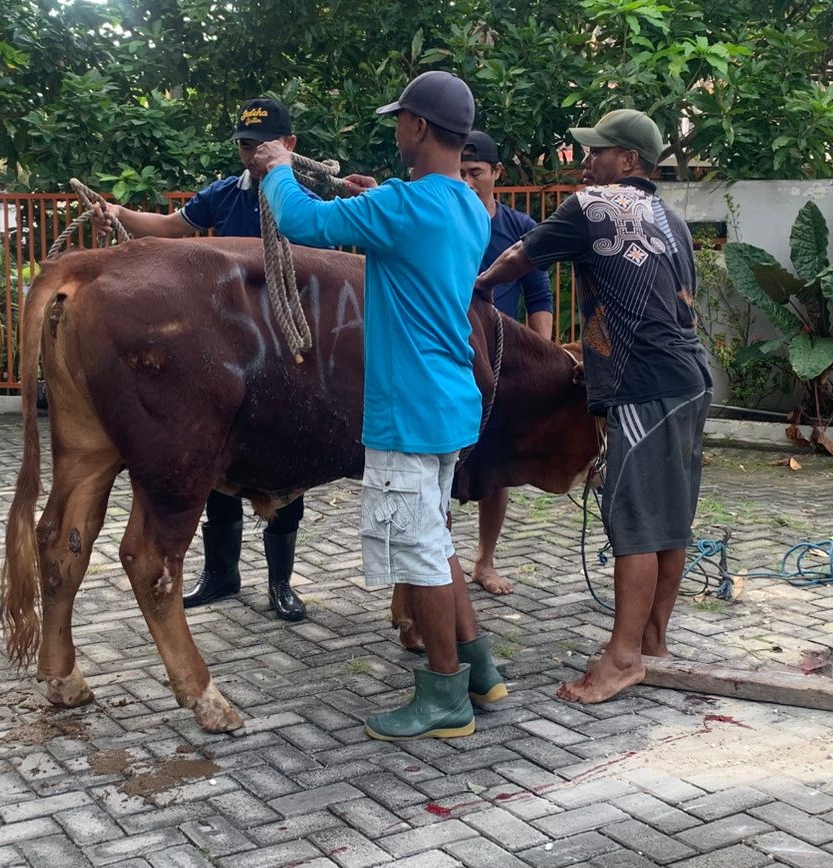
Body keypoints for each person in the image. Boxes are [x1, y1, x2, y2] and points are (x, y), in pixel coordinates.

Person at [251, 70, 508, 741]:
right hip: (447, 403)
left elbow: (303, 221)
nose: (396, 129)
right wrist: (369, 196)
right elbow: (404, 224)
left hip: (408, 410)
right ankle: (480, 669)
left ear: (418, 127)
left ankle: (444, 696)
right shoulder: (464, 204)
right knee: (436, 540)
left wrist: (277, 168)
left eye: (400, 120)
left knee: (418, 554)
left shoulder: (404, 207)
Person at [477, 108, 710, 705]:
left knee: (634, 522)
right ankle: (653, 643)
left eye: (596, 151)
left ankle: (623, 659)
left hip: (642, 383)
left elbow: (519, 258)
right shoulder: (672, 219)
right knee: (670, 518)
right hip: (689, 378)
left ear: (627, 160)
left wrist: (473, 290)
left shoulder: (592, 206)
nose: (585, 161)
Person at [90, 98, 315, 622]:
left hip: (285, 347)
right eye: (244, 145)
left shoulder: (303, 202)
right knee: (218, 456)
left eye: (261, 145)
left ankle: (281, 583)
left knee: (287, 459)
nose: (251, 154)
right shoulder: (224, 194)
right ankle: (221, 575)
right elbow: (172, 226)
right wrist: (119, 214)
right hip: (227, 347)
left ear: (289, 145)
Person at [457, 129, 554, 596]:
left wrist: (542, 361)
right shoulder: (443, 221)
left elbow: (539, 295)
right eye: (459, 172)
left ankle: (484, 560)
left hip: (503, 368)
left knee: (495, 468)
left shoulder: (518, 227)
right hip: (450, 362)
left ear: (497, 172)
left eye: (475, 172)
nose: (466, 181)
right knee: (439, 465)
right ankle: (439, 565)